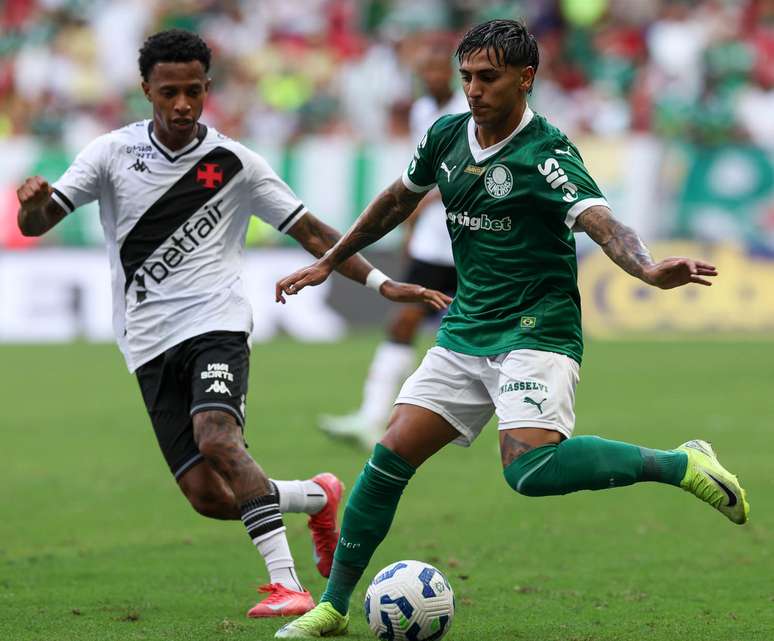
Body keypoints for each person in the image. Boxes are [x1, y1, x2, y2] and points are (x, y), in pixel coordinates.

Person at [273, 19, 750, 638]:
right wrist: (329, 260)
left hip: (537, 327)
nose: (473, 89)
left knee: (529, 471)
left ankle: (679, 464)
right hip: (468, 325)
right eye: (466, 76)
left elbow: (602, 222)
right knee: (388, 456)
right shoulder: (446, 135)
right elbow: (395, 199)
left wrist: (649, 269)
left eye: (488, 78)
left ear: (526, 79)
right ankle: (334, 607)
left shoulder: (546, 152)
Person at [15, 29, 451, 619]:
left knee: (217, 437)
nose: (182, 105)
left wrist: (381, 283)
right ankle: (316, 496)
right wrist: (33, 202)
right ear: (146, 88)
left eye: (194, 91)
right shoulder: (109, 154)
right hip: (144, 342)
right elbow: (41, 222)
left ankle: (288, 586)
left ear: (207, 88)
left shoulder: (235, 163)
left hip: (215, 324)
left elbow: (314, 232)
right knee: (206, 497)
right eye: (169, 92)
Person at [319, 42, 468, 450]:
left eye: (440, 68)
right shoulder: (423, 111)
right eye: (427, 69)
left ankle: (471, 414)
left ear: (452, 72)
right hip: (431, 240)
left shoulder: (468, 110)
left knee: (479, 327)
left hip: (469, 235)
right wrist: (413, 225)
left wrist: (421, 202)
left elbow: (462, 173)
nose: (434, 76)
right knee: (403, 321)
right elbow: (422, 173)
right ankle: (371, 417)